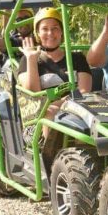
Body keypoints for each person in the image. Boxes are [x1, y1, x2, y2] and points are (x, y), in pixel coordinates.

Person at [17, 7, 92, 137]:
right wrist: (31, 59)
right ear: (37, 33)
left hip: (75, 108)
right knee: (50, 113)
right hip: (41, 117)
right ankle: (49, 155)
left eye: (55, 28)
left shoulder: (77, 58)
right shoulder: (27, 60)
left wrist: (63, 103)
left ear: (61, 32)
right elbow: (33, 94)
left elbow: (84, 91)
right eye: (45, 29)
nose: (50, 33)